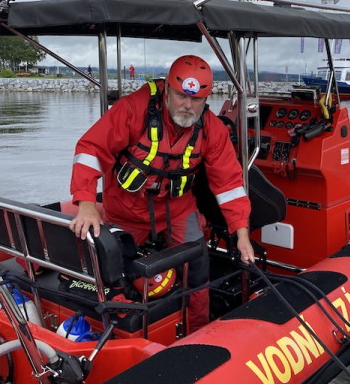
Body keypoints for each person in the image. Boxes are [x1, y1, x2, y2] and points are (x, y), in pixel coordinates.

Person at [69, 55, 254, 332]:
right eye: (181, 95)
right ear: (167, 89)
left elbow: (229, 183)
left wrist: (241, 234)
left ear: (206, 100)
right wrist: (85, 203)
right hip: (126, 210)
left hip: (178, 209)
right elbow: (91, 150)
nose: (187, 105)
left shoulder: (212, 130)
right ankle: (121, 333)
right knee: (113, 274)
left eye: (196, 99)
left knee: (198, 268)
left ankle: (197, 332)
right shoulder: (132, 110)